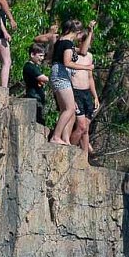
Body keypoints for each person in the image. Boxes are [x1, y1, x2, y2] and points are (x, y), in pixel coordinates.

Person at [49, 19, 94, 145]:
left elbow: (83, 52)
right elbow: (67, 62)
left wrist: (90, 32)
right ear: (77, 32)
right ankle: (56, 136)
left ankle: (64, 138)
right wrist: (87, 67)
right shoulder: (67, 43)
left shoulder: (61, 41)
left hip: (59, 74)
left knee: (66, 108)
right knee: (69, 108)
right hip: (61, 75)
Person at [69, 22, 99, 156]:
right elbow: (83, 51)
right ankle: (69, 151)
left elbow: (90, 77)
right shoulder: (74, 54)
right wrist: (90, 31)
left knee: (86, 129)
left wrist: (95, 96)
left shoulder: (90, 56)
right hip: (76, 92)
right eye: (87, 40)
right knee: (80, 127)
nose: (89, 43)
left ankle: (85, 157)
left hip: (87, 93)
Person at [23, 43, 49, 125]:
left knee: (40, 120)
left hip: (38, 98)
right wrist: (55, 79)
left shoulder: (35, 66)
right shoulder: (29, 66)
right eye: (40, 55)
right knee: (37, 121)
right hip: (33, 97)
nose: (42, 58)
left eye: (43, 56)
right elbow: (42, 78)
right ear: (32, 54)